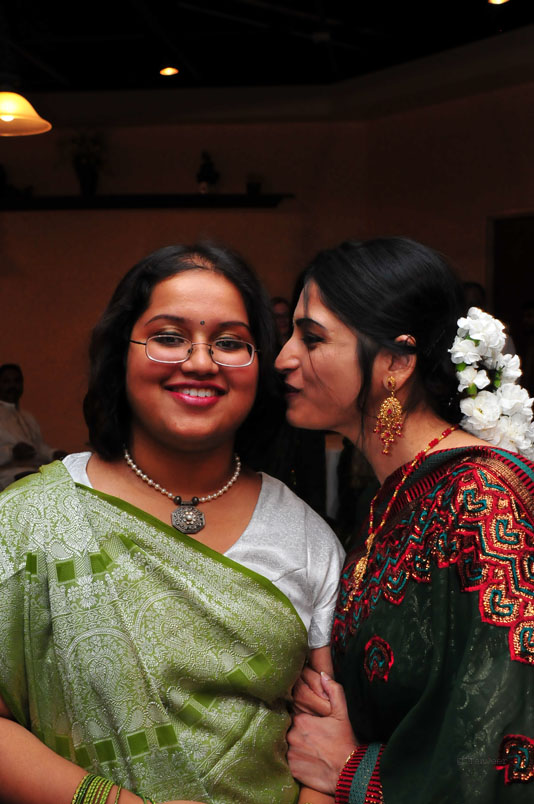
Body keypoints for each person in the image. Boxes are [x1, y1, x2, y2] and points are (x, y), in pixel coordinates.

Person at [0, 243, 344, 804]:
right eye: (168, 336)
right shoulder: (29, 520)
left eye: (230, 342)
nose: (201, 362)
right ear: (121, 353)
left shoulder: (306, 538)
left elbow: (324, 743)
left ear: (260, 365)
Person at [275, 237, 534, 802]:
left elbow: (509, 740)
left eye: (312, 338)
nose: (283, 358)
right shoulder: (393, 495)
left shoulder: (480, 499)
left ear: (396, 361)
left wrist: (354, 772)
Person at [0, 363, 65, 489]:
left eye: (17, 381)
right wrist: (11, 452)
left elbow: (38, 448)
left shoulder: (27, 417)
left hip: (35, 472)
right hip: (7, 476)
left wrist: (53, 453)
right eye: (6, 381)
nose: (12, 386)